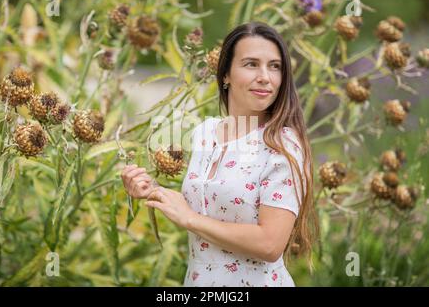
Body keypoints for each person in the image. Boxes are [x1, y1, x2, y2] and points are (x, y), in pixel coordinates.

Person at [121, 22, 318, 287]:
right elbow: (208, 206)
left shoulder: (283, 146)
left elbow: (271, 244)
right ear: (225, 74)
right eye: (251, 64)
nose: (265, 77)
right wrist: (152, 190)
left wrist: (190, 219)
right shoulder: (206, 132)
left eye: (274, 66)